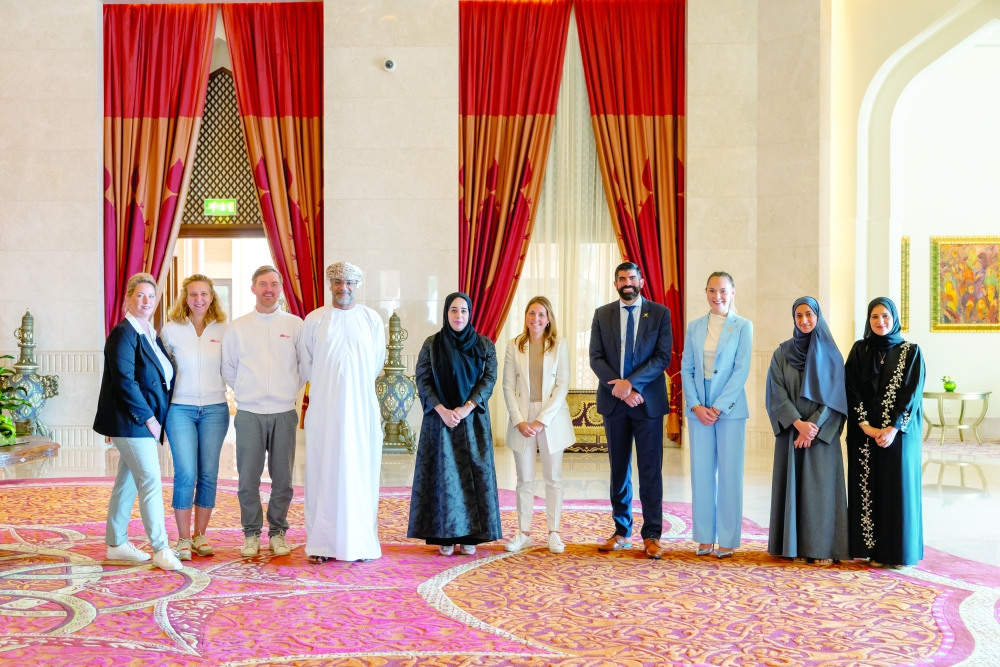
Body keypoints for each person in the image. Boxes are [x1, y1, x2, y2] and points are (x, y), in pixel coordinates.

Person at [94, 272, 183, 572]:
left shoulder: (148, 332)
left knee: (128, 482)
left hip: (144, 420)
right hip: (132, 421)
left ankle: (116, 544)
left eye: (151, 296)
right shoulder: (123, 333)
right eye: (140, 295)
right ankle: (161, 548)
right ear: (129, 299)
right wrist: (149, 419)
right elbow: (125, 382)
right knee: (151, 481)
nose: (146, 301)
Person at [298, 262, 386, 563]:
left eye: (349, 282)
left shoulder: (372, 320)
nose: (343, 287)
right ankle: (322, 545)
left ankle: (359, 543)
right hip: (325, 410)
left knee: (359, 473)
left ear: (357, 285)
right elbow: (306, 364)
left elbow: (375, 364)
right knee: (323, 472)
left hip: (361, 410)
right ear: (329, 284)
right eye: (337, 281)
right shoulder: (314, 320)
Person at [589, 262, 673, 560]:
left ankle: (652, 535)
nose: (627, 283)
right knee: (618, 469)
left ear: (642, 280)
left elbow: (662, 357)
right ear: (615, 284)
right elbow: (595, 357)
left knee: (650, 470)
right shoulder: (602, 314)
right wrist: (619, 389)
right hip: (615, 403)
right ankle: (621, 531)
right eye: (622, 279)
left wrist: (632, 386)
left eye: (632, 278)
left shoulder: (660, 313)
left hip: (646, 403)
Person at [407, 293, 502, 555]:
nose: (458, 316)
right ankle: (446, 536)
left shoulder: (484, 345)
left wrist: (466, 407)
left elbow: (489, 379)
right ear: (446, 314)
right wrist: (442, 410)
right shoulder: (432, 344)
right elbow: (423, 379)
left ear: (470, 314)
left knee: (473, 477)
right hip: (441, 423)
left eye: (463, 311)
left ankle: (470, 537)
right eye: (453, 310)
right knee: (444, 479)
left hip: (473, 423)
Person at [221, 266, 304, 558]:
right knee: (247, 478)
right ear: (253, 288)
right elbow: (229, 368)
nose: (269, 289)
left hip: (283, 411)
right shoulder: (238, 327)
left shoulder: (295, 325)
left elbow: (304, 366)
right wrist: (247, 390)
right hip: (249, 413)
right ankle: (251, 533)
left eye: (274, 284)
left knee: (283, 478)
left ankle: (278, 532)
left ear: (281, 288)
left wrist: (288, 388)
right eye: (263, 284)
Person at [766, 296, 849, 564]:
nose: (804, 320)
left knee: (820, 493)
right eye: (799, 315)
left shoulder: (831, 353)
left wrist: (811, 427)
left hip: (820, 437)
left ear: (818, 316)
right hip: (793, 433)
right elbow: (775, 393)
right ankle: (795, 548)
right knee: (794, 490)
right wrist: (798, 424)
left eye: (809, 315)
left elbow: (834, 396)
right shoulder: (781, 353)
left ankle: (822, 550)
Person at [845, 297, 925, 568]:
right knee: (868, 486)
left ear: (895, 319)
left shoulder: (911, 351)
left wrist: (892, 429)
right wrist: (865, 426)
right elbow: (851, 388)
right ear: (868, 320)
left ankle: (897, 552)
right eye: (875, 317)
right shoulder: (859, 350)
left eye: (885, 317)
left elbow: (911, 395)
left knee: (896, 488)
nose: (880, 322)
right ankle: (870, 549)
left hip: (899, 436)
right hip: (864, 435)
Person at [680, 271, 752, 558]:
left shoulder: (743, 326)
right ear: (705, 292)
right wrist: (696, 405)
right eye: (712, 290)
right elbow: (686, 368)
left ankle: (728, 538)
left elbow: (741, 370)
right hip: (699, 407)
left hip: (730, 409)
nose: (717, 296)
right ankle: (704, 537)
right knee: (701, 473)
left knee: (731, 473)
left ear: (732, 292)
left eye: (723, 290)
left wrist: (719, 406)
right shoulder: (695, 326)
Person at [160, 275, 230, 561]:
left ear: (212, 296)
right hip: (179, 409)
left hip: (215, 408)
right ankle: (183, 539)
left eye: (203, 294)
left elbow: (235, 365)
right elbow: (159, 368)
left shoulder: (226, 329)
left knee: (209, 473)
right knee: (186, 472)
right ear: (184, 298)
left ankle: (201, 536)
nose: (198, 299)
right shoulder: (171, 329)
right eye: (192, 294)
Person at [501, 297, 576, 554]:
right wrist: (519, 419)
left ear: (548, 318)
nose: (536, 319)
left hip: (550, 418)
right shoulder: (514, 346)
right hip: (521, 416)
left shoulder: (559, 345)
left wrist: (542, 419)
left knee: (553, 478)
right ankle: (523, 533)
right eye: (531, 313)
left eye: (541, 314)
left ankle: (553, 533)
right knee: (524, 479)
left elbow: (562, 385)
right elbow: (508, 386)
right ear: (525, 316)